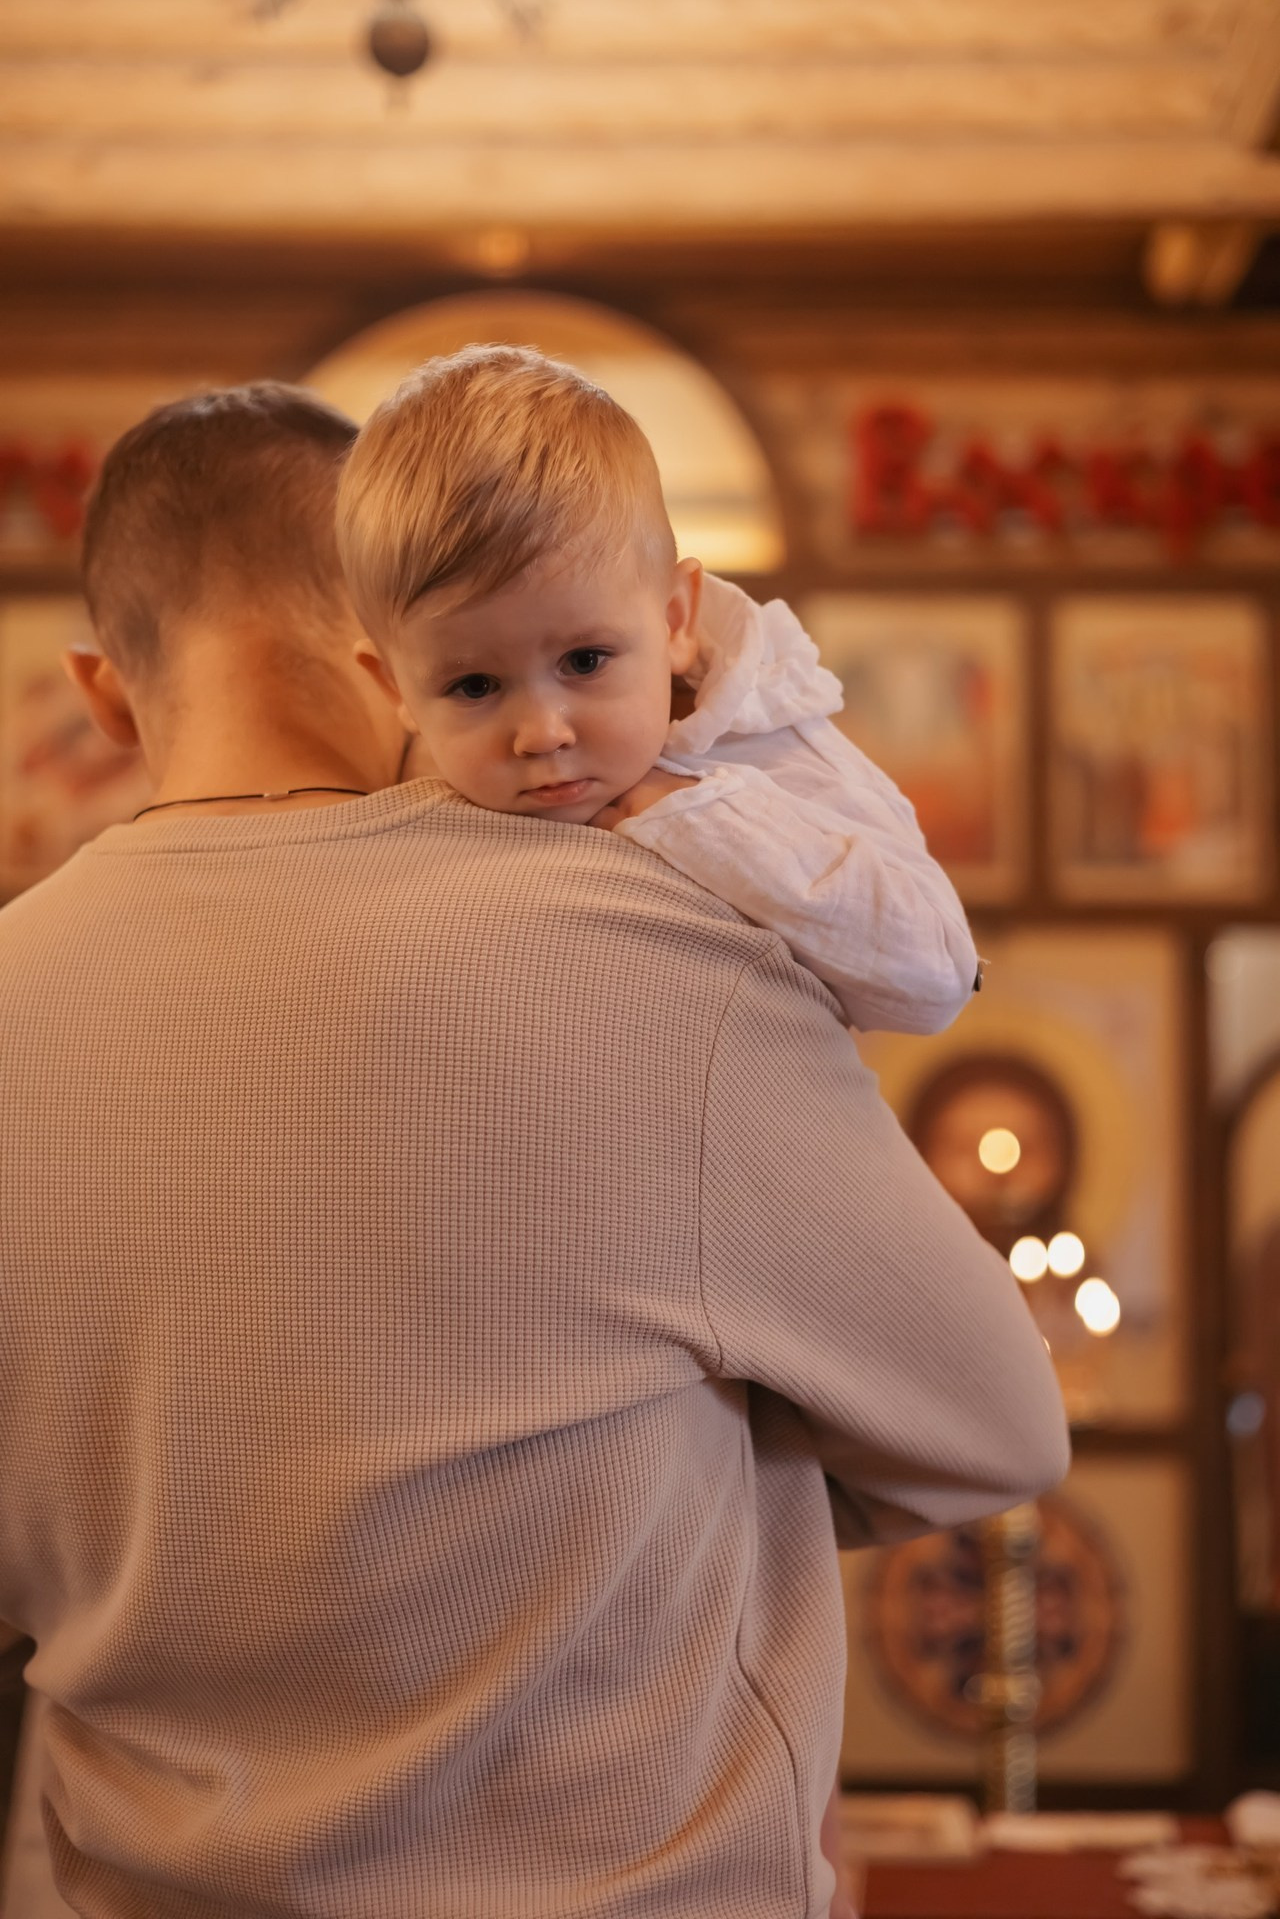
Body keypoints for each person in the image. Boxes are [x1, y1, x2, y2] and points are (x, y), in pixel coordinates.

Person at [0, 382, 1069, 1919]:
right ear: (385, 665)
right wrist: (659, 1466)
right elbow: (1000, 1429)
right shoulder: (652, 940)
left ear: (105, 697)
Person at [337, 343, 978, 1039]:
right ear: (395, 686)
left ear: (675, 620)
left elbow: (935, 977)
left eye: (584, 661)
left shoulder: (765, 742)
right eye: (475, 686)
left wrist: (694, 816)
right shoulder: (410, 794)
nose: (544, 733)